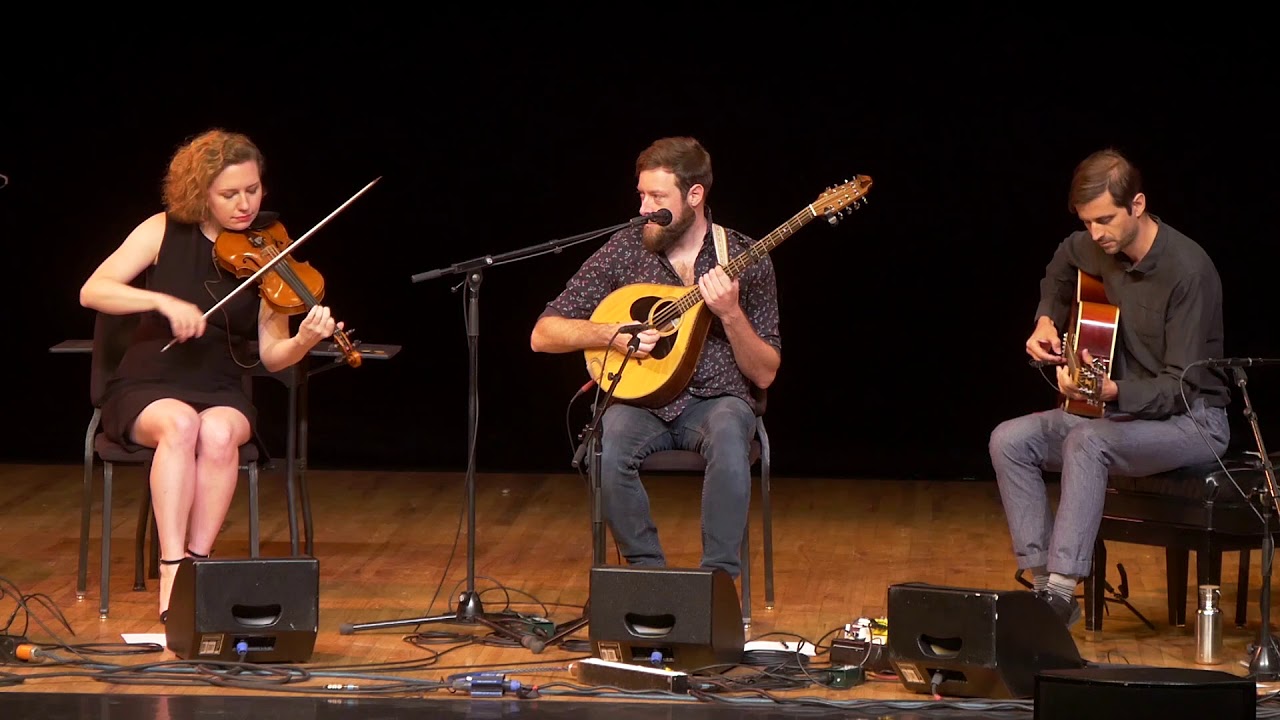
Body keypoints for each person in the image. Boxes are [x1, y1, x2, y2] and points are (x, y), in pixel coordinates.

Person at [79, 128, 343, 623]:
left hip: (222, 386)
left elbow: (271, 356)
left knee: (219, 432)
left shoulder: (269, 251)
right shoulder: (160, 230)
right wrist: (159, 299)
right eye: (229, 194)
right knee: (180, 425)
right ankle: (173, 570)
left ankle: (201, 568)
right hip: (149, 383)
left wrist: (305, 340)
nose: (245, 204)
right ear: (199, 192)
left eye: (253, 189)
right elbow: (93, 291)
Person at [989, 148, 1232, 628]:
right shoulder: (1095, 246)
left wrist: (1111, 391)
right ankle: (1043, 592)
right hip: (1122, 416)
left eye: (1105, 220)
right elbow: (1062, 264)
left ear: (1137, 205)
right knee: (1009, 439)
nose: (1095, 234)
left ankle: (1060, 592)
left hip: (1193, 421)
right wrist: (1044, 320)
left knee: (1088, 440)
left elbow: (1178, 389)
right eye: (1087, 221)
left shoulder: (1188, 272)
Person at [530, 136, 781, 580]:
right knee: (605, 447)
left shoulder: (743, 256)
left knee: (729, 434)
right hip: (640, 403)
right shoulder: (625, 250)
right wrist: (611, 334)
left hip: (716, 400)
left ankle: (717, 585)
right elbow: (543, 334)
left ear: (695, 195)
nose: (645, 207)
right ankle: (648, 579)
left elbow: (764, 371)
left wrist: (731, 314)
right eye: (641, 194)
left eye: (657, 197)